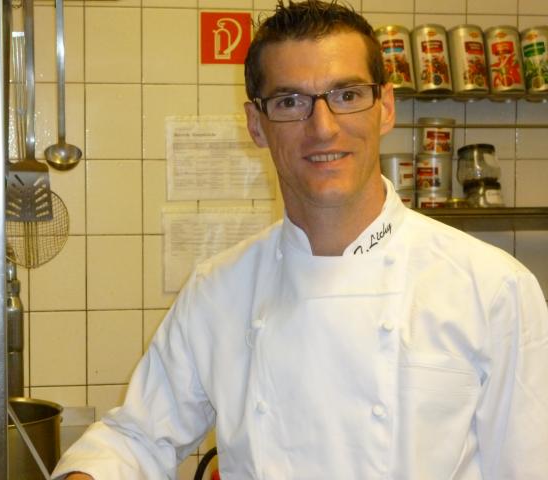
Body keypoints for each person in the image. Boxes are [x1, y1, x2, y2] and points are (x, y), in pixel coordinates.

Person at [53, 1, 548, 479]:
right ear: (256, 125)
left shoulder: (492, 288)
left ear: (385, 107)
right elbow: (138, 438)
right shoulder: (219, 289)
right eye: (290, 102)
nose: (323, 128)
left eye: (347, 95)